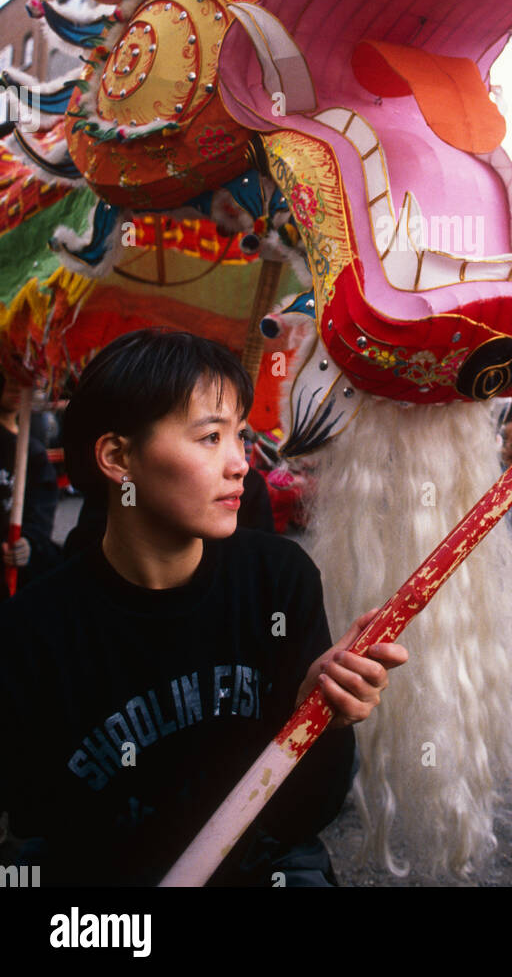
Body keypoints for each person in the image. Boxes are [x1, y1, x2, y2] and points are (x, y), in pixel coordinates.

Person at [0, 329, 407, 887]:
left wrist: (317, 718)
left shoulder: (277, 583)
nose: (241, 464)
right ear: (118, 457)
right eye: (210, 437)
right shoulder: (35, 630)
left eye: (239, 435)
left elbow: (302, 817)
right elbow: (36, 823)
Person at [0, 373, 60, 598]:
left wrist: (29, 541)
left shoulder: (32, 453)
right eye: (9, 377)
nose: (16, 388)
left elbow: (41, 510)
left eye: (24, 381)